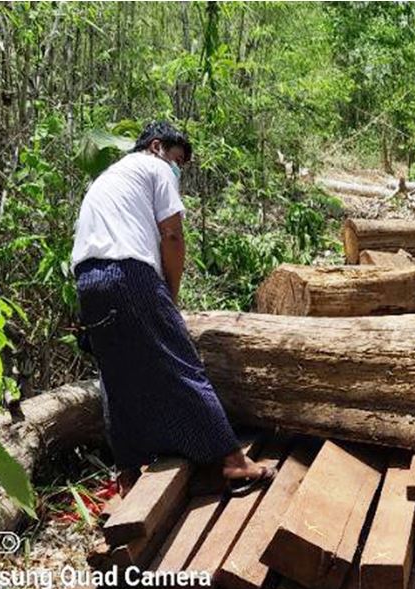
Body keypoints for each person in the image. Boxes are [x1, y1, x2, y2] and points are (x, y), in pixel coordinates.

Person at [70, 121, 272, 495]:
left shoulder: (106, 179)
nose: (177, 168)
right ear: (156, 146)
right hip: (128, 272)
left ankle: (128, 474)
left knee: (118, 377)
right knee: (181, 361)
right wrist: (170, 296)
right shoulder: (155, 166)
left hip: (87, 280)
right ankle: (233, 460)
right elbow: (173, 235)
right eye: (178, 159)